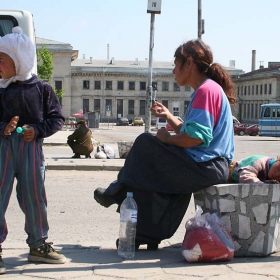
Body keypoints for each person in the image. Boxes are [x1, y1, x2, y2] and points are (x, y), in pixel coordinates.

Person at [94, 39, 236, 249]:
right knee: (150, 174)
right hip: (207, 165)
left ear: (189, 63)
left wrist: (167, 139)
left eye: (175, 63)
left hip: (207, 167)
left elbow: (196, 138)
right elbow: (191, 133)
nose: (172, 71)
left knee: (145, 143)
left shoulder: (206, 91)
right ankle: (145, 234)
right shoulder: (209, 89)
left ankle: (119, 190)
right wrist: (169, 117)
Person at [0, 27, 66, 273]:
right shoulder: (1, 89)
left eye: (1, 59)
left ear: (19, 60)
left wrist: (37, 131)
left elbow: (56, 118)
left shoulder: (42, 89)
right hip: (3, 150)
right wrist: (4, 128)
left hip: (31, 150)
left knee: (34, 197)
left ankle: (38, 244)